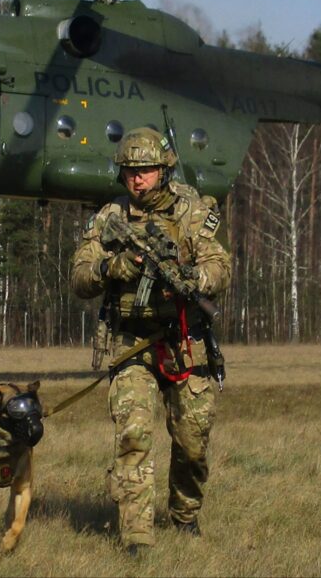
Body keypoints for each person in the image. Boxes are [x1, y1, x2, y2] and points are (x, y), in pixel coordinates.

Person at [70, 127, 231, 554]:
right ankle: (137, 538)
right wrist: (112, 268)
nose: (137, 179)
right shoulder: (110, 217)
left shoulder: (193, 211)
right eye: (130, 172)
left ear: (164, 170)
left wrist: (193, 277)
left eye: (145, 171)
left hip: (185, 341)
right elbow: (79, 275)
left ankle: (185, 515)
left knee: (193, 442)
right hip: (131, 344)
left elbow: (220, 266)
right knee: (133, 437)